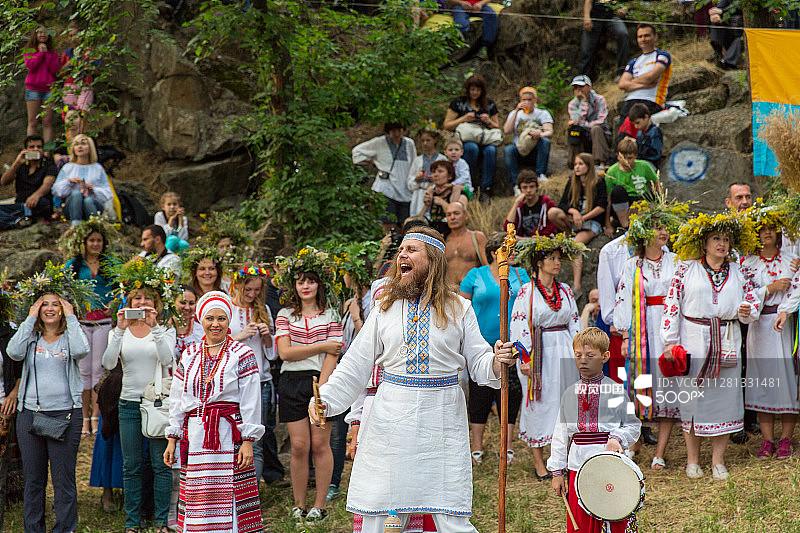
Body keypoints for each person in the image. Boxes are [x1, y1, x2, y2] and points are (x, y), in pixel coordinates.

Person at [309, 227, 517, 532]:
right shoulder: (385, 308)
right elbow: (355, 364)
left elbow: (481, 363)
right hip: (391, 420)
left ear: (432, 260)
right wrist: (325, 400)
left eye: (411, 250)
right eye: (401, 250)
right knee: (380, 514)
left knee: (450, 517)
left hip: (442, 421)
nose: (401, 255)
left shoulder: (460, 308)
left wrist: (497, 360)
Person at [662, 210, 765, 480]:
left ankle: (718, 460)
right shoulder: (686, 268)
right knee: (692, 402)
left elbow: (754, 299)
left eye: (726, 239)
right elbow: (671, 304)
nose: (722, 244)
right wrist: (669, 342)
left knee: (726, 400)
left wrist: (747, 310)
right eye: (716, 238)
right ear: (704, 243)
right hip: (694, 340)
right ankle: (693, 460)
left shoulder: (740, 269)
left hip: (728, 337)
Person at [163, 291, 264, 533]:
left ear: (229, 321)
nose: (215, 324)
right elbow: (178, 397)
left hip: (229, 434)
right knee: (198, 494)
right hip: (196, 434)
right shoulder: (189, 354)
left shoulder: (242, 354)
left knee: (229, 494)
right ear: (200, 320)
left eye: (221, 319)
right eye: (210, 318)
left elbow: (251, 399)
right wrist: (171, 439)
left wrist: (248, 441)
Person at [8, 265, 93, 533]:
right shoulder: (30, 337)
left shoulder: (70, 337)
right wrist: (29, 319)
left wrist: (72, 315)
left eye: (56, 304)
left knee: (63, 479)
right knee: (34, 480)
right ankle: (34, 529)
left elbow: (82, 350)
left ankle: (64, 529)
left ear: (64, 308)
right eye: (44, 304)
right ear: (36, 309)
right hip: (30, 414)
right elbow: (13, 352)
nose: (50, 309)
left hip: (65, 415)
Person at [102, 261, 177, 533]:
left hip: (157, 403)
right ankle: (133, 522)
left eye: (146, 297)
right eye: (137, 298)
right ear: (129, 301)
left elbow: (168, 359)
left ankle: (161, 522)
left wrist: (155, 326)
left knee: (160, 464)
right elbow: (109, 364)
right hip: (129, 403)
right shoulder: (118, 331)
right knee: (132, 465)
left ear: (155, 301)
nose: (142, 302)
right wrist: (120, 329)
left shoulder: (166, 328)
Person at [613, 195, 687, 468]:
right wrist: (623, 336)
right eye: (658, 227)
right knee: (638, 386)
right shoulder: (632, 264)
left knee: (667, 387)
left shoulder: (677, 261)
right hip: (640, 333)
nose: (664, 232)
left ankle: (660, 452)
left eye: (666, 227)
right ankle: (633, 444)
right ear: (645, 232)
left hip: (668, 328)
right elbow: (623, 299)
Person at [273, 246, 343, 524]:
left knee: (320, 445)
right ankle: (299, 504)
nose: (305, 285)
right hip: (291, 381)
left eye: (310, 280)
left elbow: (333, 354)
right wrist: (323, 344)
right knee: (299, 446)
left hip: (320, 381)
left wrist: (321, 391)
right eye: (300, 280)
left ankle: (320, 505)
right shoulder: (285, 315)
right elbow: (285, 353)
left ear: (319, 283)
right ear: (294, 284)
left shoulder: (331, 315)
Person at [548, 328, 641, 533]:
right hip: (577, 466)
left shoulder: (616, 391)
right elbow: (560, 436)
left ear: (605, 356)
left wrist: (617, 438)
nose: (583, 361)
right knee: (581, 522)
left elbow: (633, 425)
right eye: (578, 355)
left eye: (590, 356)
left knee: (611, 514)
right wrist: (557, 472)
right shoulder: (569, 394)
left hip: (608, 465)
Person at [510, 234, 583, 479]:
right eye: (551, 258)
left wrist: (581, 351)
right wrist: (524, 357)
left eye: (558, 258)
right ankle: (539, 461)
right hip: (539, 354)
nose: (557, 262)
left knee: (566, 400)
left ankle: (564, 456)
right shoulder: (526, 292)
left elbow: (574, 321)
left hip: (564, 350)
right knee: (540, 403)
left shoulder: (564, 291)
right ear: (539, 263)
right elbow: (519, 326)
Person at [460, 232, 530, 466]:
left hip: (512, 343)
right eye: (507, 251)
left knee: (510, 392)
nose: (513, 255)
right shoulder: (475, 275)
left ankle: (507, 445)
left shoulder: (521, 275)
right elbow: (461, 308)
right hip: (481, 342)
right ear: (493, 252)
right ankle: (477, 446)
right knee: (480, 392)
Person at [745, 206, 798, 459]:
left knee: (787, 378)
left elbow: (796, 286)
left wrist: (786, 310)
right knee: (762, 381)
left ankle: (786, 439)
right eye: (761, 229)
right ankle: (767, 440)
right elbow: (743, 295)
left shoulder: (790, 258)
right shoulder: (747, 263)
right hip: (758, 326)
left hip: (783, 326)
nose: (767, 233)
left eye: (771, 229)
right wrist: (769, 288)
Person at [60, 217, 117, 438]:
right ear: (83, 242)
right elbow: (62, 287)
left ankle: (96, 415)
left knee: (99, 369)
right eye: (91, 240)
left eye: (99, 240)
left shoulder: (110, 263)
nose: (95, 244)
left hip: (103, 323)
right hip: (82, 323)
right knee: (83, 371)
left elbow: (121, 287)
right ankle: (84, 416)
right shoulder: (74, 264)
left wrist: (113, 304)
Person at [229, 265, 284, 486]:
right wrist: (240, 336)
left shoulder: (264, 310)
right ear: (238, 286)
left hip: (261, 381)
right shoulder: (228, 310)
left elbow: (272, 355)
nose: (252, 295)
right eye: (248, 290)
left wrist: (267, 337)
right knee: (233, 440)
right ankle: (233, 490)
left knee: (255, 440)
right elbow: (217, 347)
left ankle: (252, 495)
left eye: (256, 290)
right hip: (234, 382)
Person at [329, 247, 373, 502]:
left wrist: (357, 317)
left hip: (366, 369)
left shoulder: (373, 301)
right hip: (346, 364)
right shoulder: (347, 302)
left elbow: (367, 336)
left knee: (361, 424)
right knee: (338, 429)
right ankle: (336, 480)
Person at [550, 153, 608, 293]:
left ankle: (576, 285)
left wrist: (584, 218)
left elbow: (602, 206)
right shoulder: (572, 181)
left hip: (591, 221)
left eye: (581, 164)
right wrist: (574, 213)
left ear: (588, 166)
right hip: (575, 221)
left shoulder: (598, 182)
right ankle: (569, 234)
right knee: (553, 212)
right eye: (575, 164)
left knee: (576, 246)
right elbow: (562, 203)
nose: (577, 167)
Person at [443, 75, 500, 199]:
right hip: (466, 139)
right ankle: (470, 185)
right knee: (471, 148)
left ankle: (486, 188)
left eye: (478, 90)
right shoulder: (458, 103)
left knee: (491, 150)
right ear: (468, 89)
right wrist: (464, 119)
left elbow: (497, 127)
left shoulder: (489, 104)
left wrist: (488, 121)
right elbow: (447, 125)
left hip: (484, 138)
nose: (475, 93)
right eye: (472, 90)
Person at [353, 123, 417, 233]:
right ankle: (388, 248)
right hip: (386, 188)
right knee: (388, 224)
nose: (396, 134)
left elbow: (413, 164)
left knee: (406, 224)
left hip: (406, 189)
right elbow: (357, 152)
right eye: (393, 131)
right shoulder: (379, 142)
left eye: (399, 130)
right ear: (388, 131)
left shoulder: (409, 143)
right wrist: (373, 162)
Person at [51, 135, 113, 226]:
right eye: (76, 144)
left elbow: (108, 193)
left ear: (90, 148)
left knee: (88, 201)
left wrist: (94, 189)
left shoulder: (97, 168)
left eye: (83, 144)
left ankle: (95, 226)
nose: (79, 147)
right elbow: (56, 191)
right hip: (72, 206)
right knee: (76, 194)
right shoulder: (68, 167)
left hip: (93, 204)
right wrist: (68, 182)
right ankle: (76, 225)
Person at [0, 135, 57, 229]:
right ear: (26, 150)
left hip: (39, 204)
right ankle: (17, 221)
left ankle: (15, 220)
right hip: (20, 205)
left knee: (43, 203)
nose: (36, 149)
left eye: (39, 147)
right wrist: (17, 163)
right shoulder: (21, 166)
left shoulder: (49, 165)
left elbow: (48, 184)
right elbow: (4, 181)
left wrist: (36, 195)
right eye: (32, 147)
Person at [618, 23, 672, 121]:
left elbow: (651, 76)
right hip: (630, 101)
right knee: (623, 133)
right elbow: (622, 84)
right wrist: (643, 85)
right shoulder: (634, 62)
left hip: (651, 101)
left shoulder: (662, 55)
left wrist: (631, 82)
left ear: (655, 37)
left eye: (647, 35)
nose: (643, 39)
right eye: (640, 36)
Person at [503, 87, 553, 187]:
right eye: (524, 100)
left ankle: (540, 174)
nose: (527, 102)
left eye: (529, 99)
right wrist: (517, 111)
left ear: (535, 100)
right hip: (519, 149)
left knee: (545, 141)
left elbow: (549, 131)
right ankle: (516, 184)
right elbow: (507, 130)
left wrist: (540, 134)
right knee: (508, 150)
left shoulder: (542, 113)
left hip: (535, 150)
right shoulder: (514, 113)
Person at [605, 138, 659, 229]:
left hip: (640, 199)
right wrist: (607, 225)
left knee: (643, 199)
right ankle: (625, 224)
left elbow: (657, 184)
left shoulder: (644, 166)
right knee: (618, 191)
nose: (626, 161)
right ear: (618, 156)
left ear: (635, 156)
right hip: (622, 203)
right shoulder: (611, 172)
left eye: (630, 158)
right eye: (623, 158)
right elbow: (608, 199)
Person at [566, 75, 612, 167]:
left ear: (589, 87)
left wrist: (584, 124)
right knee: (574, 129)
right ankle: (575, 163)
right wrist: (583, 102)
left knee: (595, 129)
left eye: (581, 87)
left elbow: (601, 120)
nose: (579, 90)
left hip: (600, 135)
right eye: (576, 88)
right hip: (583, 134)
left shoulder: (599, 99)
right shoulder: (573, 104)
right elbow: (575, 120)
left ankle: (600, 163)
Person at [24, 26, 59, 144]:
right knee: (33, 122)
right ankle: (31, 151)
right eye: (40, 32)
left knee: (47, 122)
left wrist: (46, 53)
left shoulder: (53, 53)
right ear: (35, 34)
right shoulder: (29, 51)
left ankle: (48, 152)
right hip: (33, 89)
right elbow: (30, 66)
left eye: (45, 32)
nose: (43, 34)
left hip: (49, 90)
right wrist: (40, 53)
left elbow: (54, 69)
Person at [578, 0, 630, 79]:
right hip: (595, 17)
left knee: (623, 34)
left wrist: (624, 8)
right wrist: (586, 17)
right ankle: (582, 78)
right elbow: (588, 2)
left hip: (612, 16)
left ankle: (621, 72)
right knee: (586, 47)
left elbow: (630, 3)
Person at [504, 170, 559, 238]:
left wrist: (523, 240)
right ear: (520, 189)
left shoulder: (546, 203)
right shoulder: (519, 206)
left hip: (541, 243)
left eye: (532, 187)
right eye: (525, 187)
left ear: (536, 187)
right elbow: (507, 229)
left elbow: (549, 233)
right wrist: (516, 204)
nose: (528, 190)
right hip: (522, 244)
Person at [418, 160, 467, 237]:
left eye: (440, 171)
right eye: (433, 172)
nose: (435, 175)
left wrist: (442, 202)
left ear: (450, 176)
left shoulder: (458, 193)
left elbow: (461, 219)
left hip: (450, 234)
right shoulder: (431, 193)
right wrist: (426, 205)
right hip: (431, 233)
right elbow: (420, 218)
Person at [60, 20, 99, 115]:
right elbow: (60, 73)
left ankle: (82, 130)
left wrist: (83, 64)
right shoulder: (67, 53)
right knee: (70, 115)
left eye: (76, 35)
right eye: (70, 35)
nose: (73, 38)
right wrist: (69, 63)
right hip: (69, 85)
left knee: (82, 114)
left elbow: (97, 71)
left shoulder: (89, 51)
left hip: (85, 85)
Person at [444, 202, 488, 285]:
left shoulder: (477, 237)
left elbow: (488, 267)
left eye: (456, 213)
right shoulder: (442, 240)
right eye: (449, 215)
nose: (452, 217)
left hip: (472, 290)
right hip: (449, 292)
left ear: (466, 215)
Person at [407, 129, 447, 218]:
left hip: (435, 195)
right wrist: (416, 180)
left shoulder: (442, 159)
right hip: (418, 195)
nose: (425, 143)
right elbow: (409, 182)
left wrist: (436, 180)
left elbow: (447, 179)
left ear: (435, 140)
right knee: (417, 221)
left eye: (428, 140)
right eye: (422, 141)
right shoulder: (417, 160)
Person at [709, 0, 743, 70]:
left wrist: (722, 11)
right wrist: (715, 14)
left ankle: (727, 62)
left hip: (745, 30)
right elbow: (719, 6)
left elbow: (740, 7)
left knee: (740, 39)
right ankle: (717, 52)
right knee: (716, 21)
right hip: (731, 27)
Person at [173, 286, 204, 361]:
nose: (187, 307)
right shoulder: (163, 328)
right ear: (173, 302)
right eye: (183, 303)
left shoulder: (201, 331)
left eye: (191, 303)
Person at [629, 103, 663, 169]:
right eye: (634, 124)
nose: (636, 126)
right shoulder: (640, 133)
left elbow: (655, 154)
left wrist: (637, 144)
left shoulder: (655, 132)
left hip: (650, 164)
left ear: (646, 117)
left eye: (638, 123)